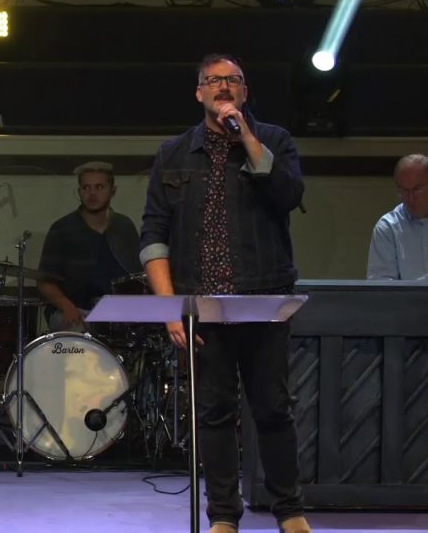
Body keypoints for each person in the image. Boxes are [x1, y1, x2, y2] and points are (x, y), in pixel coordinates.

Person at [139, 54, 311, 533]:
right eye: (213, 81)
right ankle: (222, 516)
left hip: (263, 298)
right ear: (199, 93)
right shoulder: (174, 153)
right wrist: (170, 307)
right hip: (202, 305)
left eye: (232, 80)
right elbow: (153, 234)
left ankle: (289, 510)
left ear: (244, 92)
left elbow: (288, 196)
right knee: (214, 413)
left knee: (272, 408)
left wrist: (246, 137)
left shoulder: (273, 140)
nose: (223, 87)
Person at [37, 161, 142, 331]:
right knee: (76, 329)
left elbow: (137, 276)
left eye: (99, 187)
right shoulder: (62, 228)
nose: (92, 193)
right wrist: (66, 306)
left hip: (116, 312)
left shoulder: (124, 226)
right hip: (75, 310)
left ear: (113, 191)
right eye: (86, 188)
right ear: (79, 192)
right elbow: (45, 282)